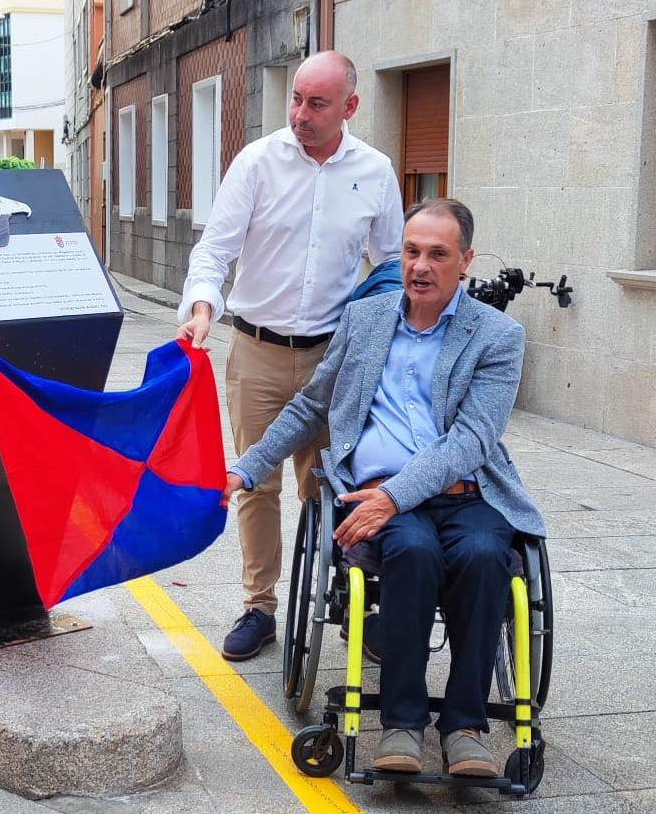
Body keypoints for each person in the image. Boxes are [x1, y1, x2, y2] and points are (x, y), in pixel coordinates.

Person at [223, 198, 547, 776]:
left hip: (464, 491)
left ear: (465, 261)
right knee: (413, 552)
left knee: (483, 556)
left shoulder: (498, 336)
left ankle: (466, 727)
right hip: (373, 492)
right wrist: (246, 468)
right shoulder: (366, 319)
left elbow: (472, 439)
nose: (420, 266)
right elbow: (310, 406)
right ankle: (401, 723)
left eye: (438, 254)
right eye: (412, 251)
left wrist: (396, 496)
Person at [176, 50, 403, 661]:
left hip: (335, 357)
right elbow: (215, 251)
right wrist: (202, 304)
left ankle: (344, 590)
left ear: (350, 107)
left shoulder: (376, 172)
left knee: (330, 483)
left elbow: (390, 265)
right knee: (255, 481)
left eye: (316, 103)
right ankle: (260, 606)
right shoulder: (257, 162)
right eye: (296, 99)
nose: (300, 114)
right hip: (257, 350)